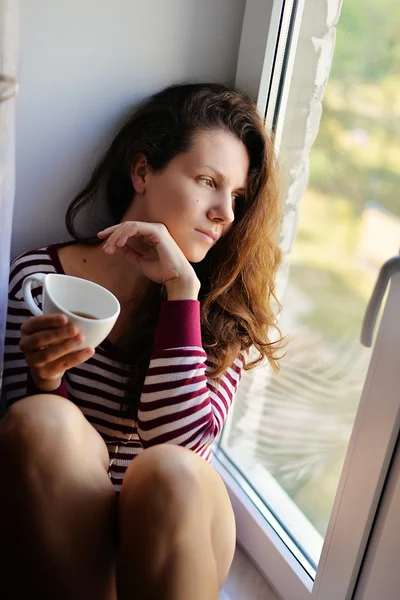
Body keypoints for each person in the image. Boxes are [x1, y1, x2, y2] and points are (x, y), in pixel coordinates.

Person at [0, 82, 283, 600]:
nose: (225, 213)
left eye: (237, 196)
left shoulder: (223, 313)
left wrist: (182, 292)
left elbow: (178, 448)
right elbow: (25, 460)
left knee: (170, 470)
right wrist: (47, 378)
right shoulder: (44, 280)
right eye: (207, 181)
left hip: (176, 534)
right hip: (65, 543)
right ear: (142, 171)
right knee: (35, 419)